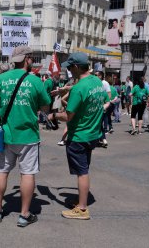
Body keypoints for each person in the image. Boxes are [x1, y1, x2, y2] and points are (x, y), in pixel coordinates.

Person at [0, 46, 50, 227]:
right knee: (27, 174)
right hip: (28, 136)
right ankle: (24, 214)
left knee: (2, 170)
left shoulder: (1, 79)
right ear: (26, 59)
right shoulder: (35, 81)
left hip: (6, 135)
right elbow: (46, 108)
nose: (32, 60)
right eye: (31, 57)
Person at [51, 52, 109, 220]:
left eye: (69, 67)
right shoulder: (97, 82)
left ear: (76, 67)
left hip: (79, 135)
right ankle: (81, 200)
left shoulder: (79, 88)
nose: (68, 70)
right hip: (93, 134)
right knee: (84, 169)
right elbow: (105, 101)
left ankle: (82, 209)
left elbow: (68, 116)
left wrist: (53, 115)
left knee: (82, 172)